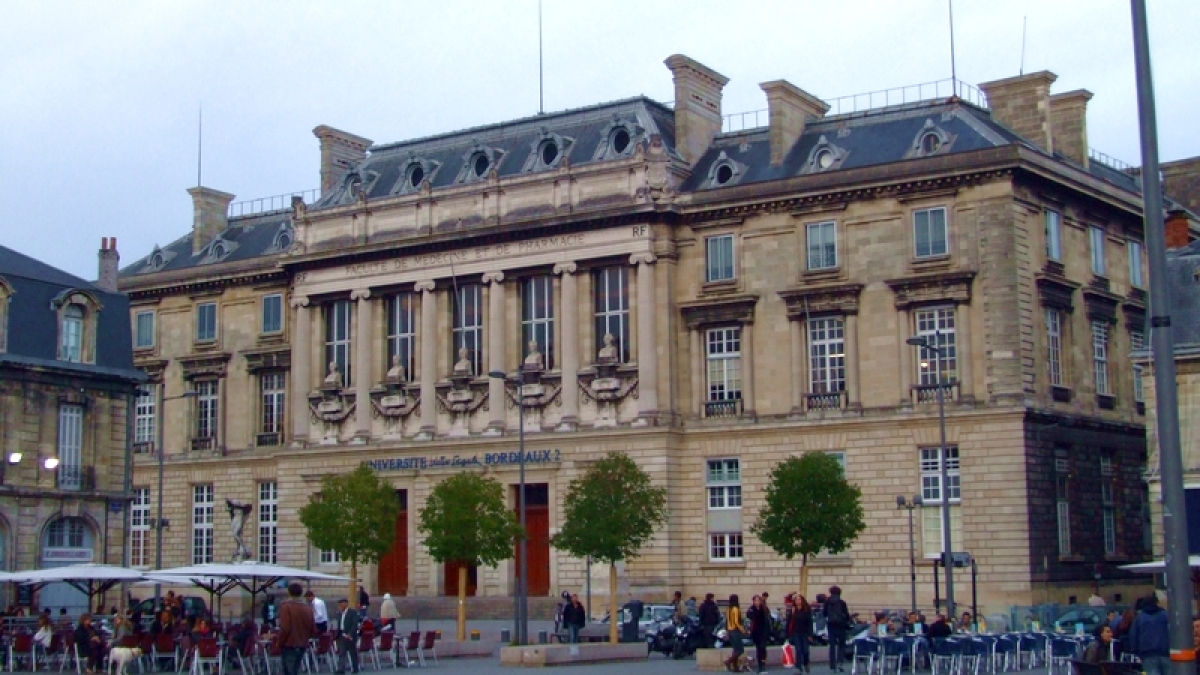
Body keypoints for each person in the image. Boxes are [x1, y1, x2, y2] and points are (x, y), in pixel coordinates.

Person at [276, 583, 316, 675]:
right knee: (295, 670)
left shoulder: (286, 606)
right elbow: (313, 629)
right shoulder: (308, 608)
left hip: (289, 644)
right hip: (302, 644)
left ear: (289, 592)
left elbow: (285, 627)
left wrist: (279, 642)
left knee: (288, 671)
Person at [1129, 594, 1170, 675]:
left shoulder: (1139, 618)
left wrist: (1136, 652)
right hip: (1166, 653)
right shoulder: (1166, 615)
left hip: (1147, 655)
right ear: (1156, 603)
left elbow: (1133, 636)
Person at [823, 585, 850, 672]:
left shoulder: (827, 602)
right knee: (841, 645)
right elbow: (846, 615)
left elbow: (824, 613)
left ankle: (832, 665)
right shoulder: (842, 602)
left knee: (832, 646)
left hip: (831, 625)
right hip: (841, 625)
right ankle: (840, 663)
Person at [788, 594, 813, 674]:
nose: (798, 601)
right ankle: (798, 668)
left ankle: (806, 663)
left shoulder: (806, 610)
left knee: (805, 651)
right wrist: (788, 635)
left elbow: (810, 622)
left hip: (805, 633)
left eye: (799, 599)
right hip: (796, 633)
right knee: (798, 650)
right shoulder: (793, 610)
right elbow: (789, 623)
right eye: (796, 600)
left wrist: (810, 634)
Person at [335, 598, 360, 674]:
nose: (340, 606)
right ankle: (341, 669)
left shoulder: (352, 612)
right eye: (339, 605)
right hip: (341, 635)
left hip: (350, 635)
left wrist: (350, 633)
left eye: (341, 604)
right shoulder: (339, 613)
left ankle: (355, 668)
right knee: (342, 652)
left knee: (352, 652)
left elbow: (354, 624)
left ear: (346, 604)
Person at [747, 595, 770, 673]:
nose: (757, 602)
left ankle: (763, 663)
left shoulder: (764, 609)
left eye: (758, 600)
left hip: (764, 631)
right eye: (755, 601)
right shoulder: (751, 609)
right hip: (756, 632)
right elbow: (749, 616)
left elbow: (767, 619)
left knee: (763, 647)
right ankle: (760, 664)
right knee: (759, 648)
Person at [723, 594, 745, 673]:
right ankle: (729, 661)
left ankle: (736, 668)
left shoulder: (728, 609)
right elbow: (736, 621)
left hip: (730, 630)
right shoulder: (735, 609)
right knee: (740, 650)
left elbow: (727, 621)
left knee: (735, 649)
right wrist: (742, 629)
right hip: (735, 630)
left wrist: (727, 631)